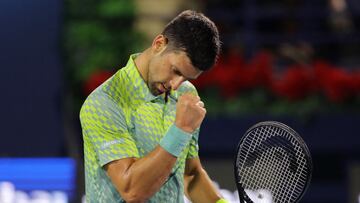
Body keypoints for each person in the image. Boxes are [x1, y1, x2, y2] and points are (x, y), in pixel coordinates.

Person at [80, 10, 227, 203]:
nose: (175, 85)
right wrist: (180, 130)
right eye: (175, 70)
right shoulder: (104, 103)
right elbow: (132, 190)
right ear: (159, 44)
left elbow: (190, 175)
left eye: (186, 77)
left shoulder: (185, 93)